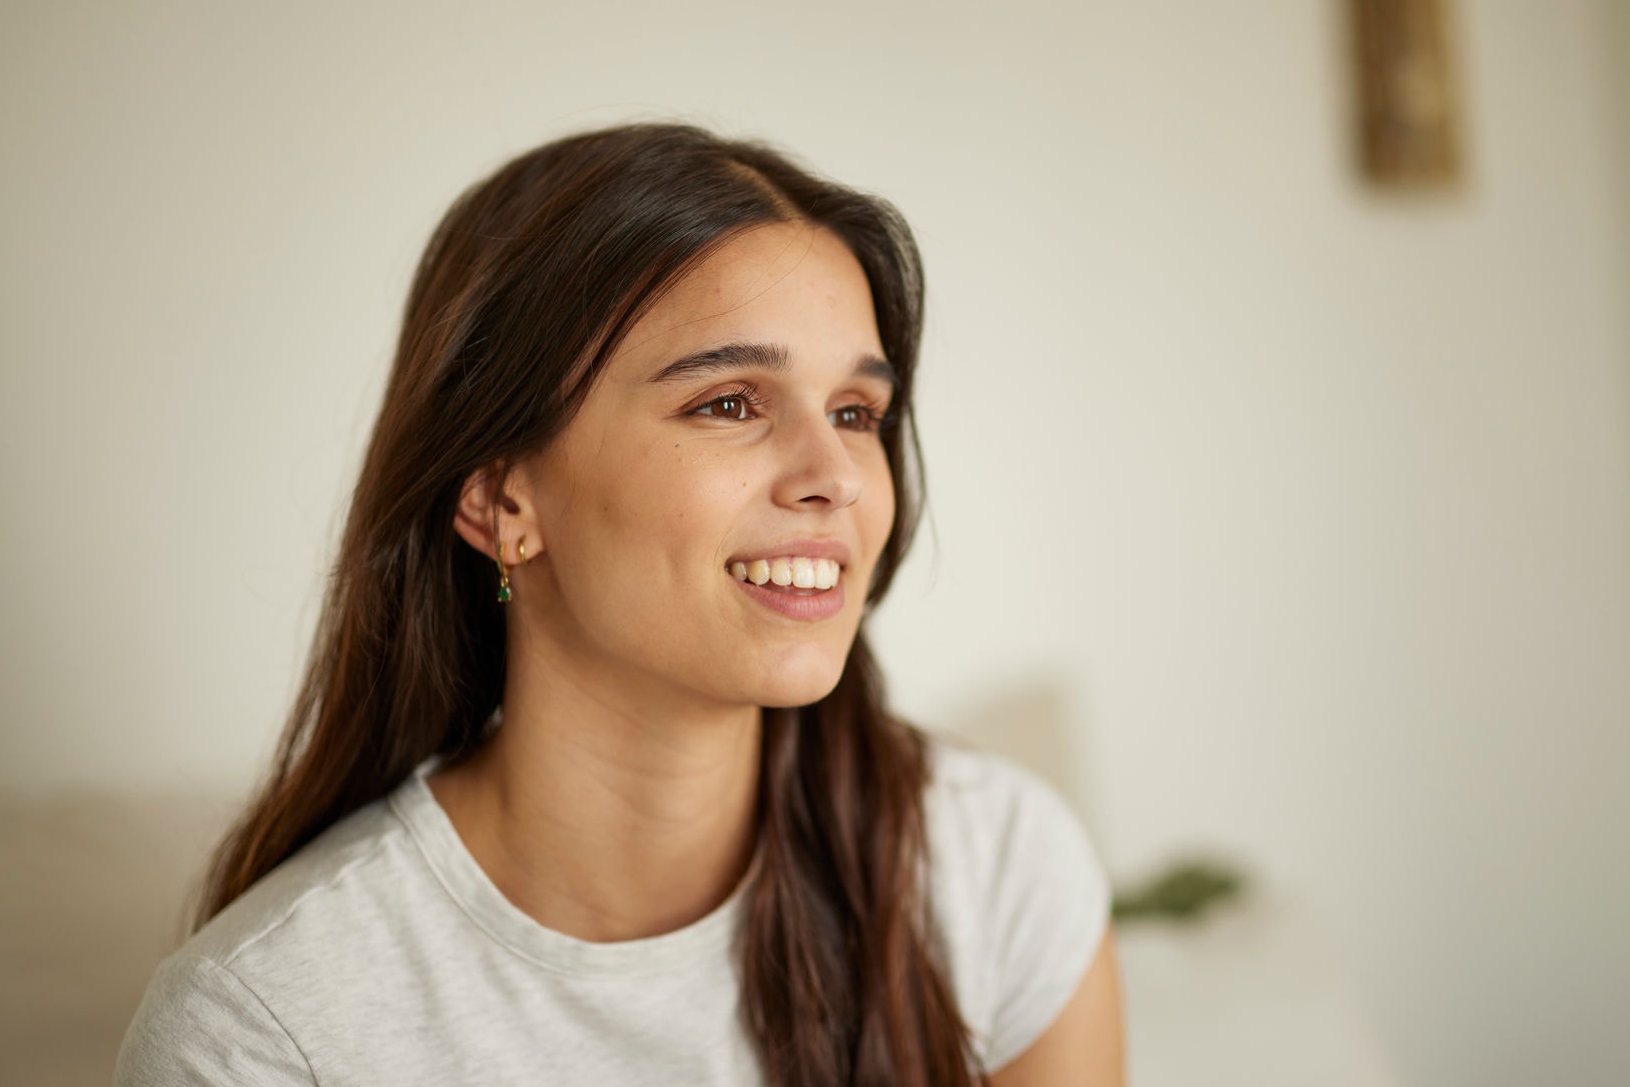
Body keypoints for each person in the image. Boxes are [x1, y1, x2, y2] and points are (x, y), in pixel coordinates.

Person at [114, 122, 1124, 1086]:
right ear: (502, 499)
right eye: (729, 403)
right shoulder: (261, 1030)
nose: (838, 478)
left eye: (856, 413)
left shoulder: (996, 870)